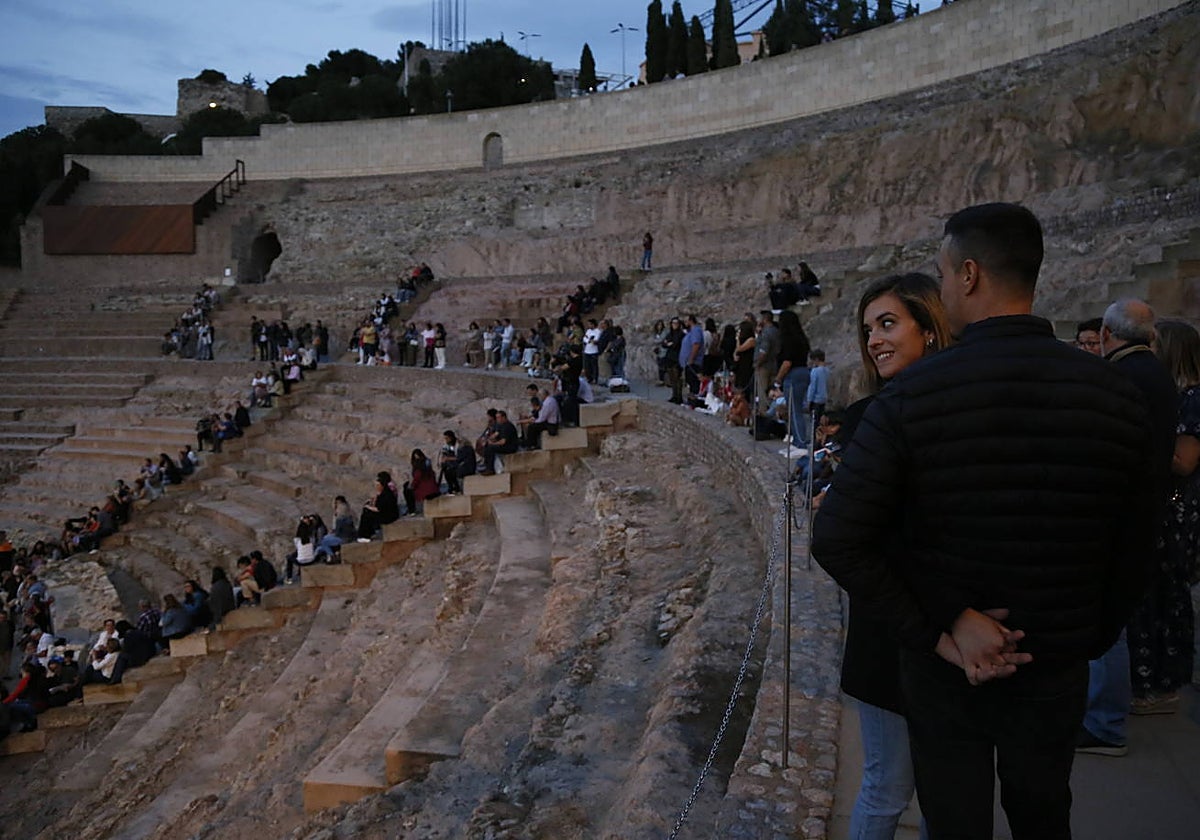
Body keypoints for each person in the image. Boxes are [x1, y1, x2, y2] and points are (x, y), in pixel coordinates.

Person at [812, 203, 1154, 839]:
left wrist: (942, 630)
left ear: (968, 275)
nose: (942, 288)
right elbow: (1135, 542)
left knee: (955, 821)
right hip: (1055, 659)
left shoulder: (911, 398)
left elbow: (836, 537)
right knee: (1044, 815)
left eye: (942, 275)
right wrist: (1081, 636)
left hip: (947, 673)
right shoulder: (1114, 392)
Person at [833, 272, 953, 839]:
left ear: (929, 329)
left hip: (945, 629)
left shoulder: (953, 413)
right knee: (888, 785)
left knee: (945, 791)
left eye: (888, 324)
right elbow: (848, 538)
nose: (875, 339)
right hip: (895, 634)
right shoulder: (868, 421)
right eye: (868, 330)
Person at [1077, 299, 1178, 757]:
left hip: (1116, 512)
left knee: (1106, 622)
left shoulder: (1122, 377)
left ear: (1106, 335)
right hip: (1143, 506)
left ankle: (1104, 723)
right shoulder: (1157, 374)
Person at [1126, 318, 1200, 716]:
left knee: (1164, 595)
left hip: (1175, 509)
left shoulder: (1192, 398)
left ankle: (1160, 684)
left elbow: (1184, 462)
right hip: (1168, 506)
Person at [771, 310, 811, 447]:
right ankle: (798, 440)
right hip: (803, 372)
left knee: (794, 410)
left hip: (793, 375)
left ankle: (800, 442)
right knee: (797, 408)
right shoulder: (801, 338)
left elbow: (787, 362)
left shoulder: (788, 340)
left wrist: (778, 379)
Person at [357, 472, 400, 540]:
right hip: (386, 513)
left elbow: (379, 509)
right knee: (367, 512)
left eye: (378, 485)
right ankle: (368, 533)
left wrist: (368, 507)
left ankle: (365, 535)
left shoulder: (386, 494)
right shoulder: (384, 492)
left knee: (367, 514)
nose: (376, 487)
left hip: (389, 516)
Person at [480, 410, 519, 475]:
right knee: (487, 446)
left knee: (491, 448)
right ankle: (486, 466)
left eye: (498, 417)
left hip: (510, 447)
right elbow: (496, 434)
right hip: (504, 445)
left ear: (503, 417)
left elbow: (503, 441)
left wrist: (493, 444)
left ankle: (490, 469)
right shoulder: (501, 425)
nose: (497, 419)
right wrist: (487, 440)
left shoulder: (508, 426)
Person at [402, 450, 440, 515]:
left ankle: (412, 510)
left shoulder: (418, 471)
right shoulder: (429, 468)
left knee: (407, 491)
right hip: (434, 490)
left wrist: (409, 485)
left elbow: (415, 483)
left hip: (425, 493)